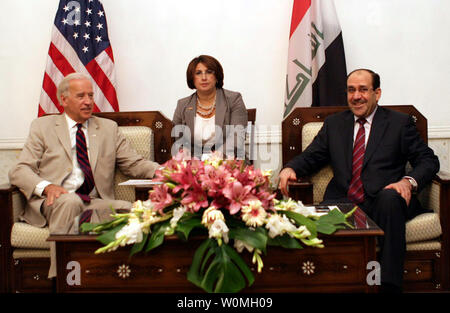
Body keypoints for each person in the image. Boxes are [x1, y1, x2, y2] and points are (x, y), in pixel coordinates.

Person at [278, 69, 440, 292]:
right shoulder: (335, 124)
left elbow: (428, 161)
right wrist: (290, 167)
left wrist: (408, 181)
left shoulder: (399, 124)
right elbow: (312, 156)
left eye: (363, 89)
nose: (356, 96)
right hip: (343, 199)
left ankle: (388, 286)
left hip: (385, 201)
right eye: (351, 90)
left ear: (377, 93)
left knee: (389, 198)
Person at [9, 72, 160, 278]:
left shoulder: (108, 128)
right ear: (64, 100)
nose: (88, 102)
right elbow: (19, 170)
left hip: (93, 201)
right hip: (53, 201)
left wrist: (169, 171)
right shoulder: (42, 127)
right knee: (69, 201)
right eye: (81, 96)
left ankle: (117, 279)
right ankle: (61, 279)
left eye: (91, 95)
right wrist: (47, 187)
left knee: (132, 211)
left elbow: (133, 164)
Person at [172, 55, 248, 161]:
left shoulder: (234, 99)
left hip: (228, 161)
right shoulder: (182, 105)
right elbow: (177, 140)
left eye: (209, 72)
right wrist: (184, 154)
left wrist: (216, 157)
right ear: (192, 78)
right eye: (198, 73)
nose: (204, 77)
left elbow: (237, 137)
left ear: (216, 76)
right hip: (194, 164)